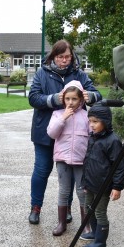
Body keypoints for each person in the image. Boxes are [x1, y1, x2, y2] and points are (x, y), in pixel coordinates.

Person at [28, 39, 102, 225]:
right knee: (42, 170)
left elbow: (96, 94)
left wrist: (90, 96)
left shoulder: (79, 74)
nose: (65, 60)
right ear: (53, 57)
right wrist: (54, 99)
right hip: (46, 131)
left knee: (68, 172)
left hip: (72, 134)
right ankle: (36, 207)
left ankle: (66, 209)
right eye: (61, 57)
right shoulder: (41, 73)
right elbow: (33, 98)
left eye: (68, 57)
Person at [80, 102, 124, 247]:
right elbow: (87, 161)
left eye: (95, 121)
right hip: (91, 184)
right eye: (90, 121)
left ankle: (101, 242)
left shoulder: (112, 141)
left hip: (103, 186)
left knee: (99, 212)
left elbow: (119, 166)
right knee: (88, 208)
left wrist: (117, 187)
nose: (91, 125)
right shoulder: (93, 137)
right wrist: (84, 183)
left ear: (105, 122)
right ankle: (94, 233)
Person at [46, 80, 90, 236]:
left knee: (82, 191)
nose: (70, 102)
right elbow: (51, 133)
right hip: (62, 159)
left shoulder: (86, 116)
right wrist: (62, 118)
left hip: (81, 160)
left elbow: (92, 136)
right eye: (67, 99)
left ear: (81, 100)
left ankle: (86, 225)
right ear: (63, 99)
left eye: (74, 99)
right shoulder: (57, 114)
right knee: (64, 191)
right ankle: (61, 223)